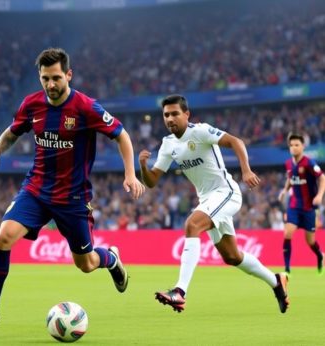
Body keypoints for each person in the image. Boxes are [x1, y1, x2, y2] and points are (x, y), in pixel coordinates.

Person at [0, 47, 144, 336]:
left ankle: (110, 258)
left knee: (85, 264)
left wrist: (130, 173)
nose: (51, 84)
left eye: (57, 77)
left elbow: (121, 135)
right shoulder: (31, 104)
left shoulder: (85, 107)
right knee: (4, 236)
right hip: (35, 190)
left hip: (73, 198)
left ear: (68, 75)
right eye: (45, 78)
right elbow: (12, 131)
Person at [138, 94, 289, 313]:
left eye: (175, 114)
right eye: (166, 115)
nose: (170, 119)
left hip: (226, 193)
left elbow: (235, 141)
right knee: (232, 256)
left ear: (186, 114)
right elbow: (151, 181)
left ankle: (180, 292)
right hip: (209, 200)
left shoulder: (200, 131)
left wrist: (246, 170)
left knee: (192, 225)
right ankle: (276, 281)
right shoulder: (168, 144)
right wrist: (143, 166)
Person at [278, 133, 325, 274]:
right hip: (294, 206)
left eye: (297, 145)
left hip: (308, 207)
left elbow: (322, 178)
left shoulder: (309, 163)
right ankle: (287, 268)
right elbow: (290, 178)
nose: (293, 148)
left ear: (303, 146)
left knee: (310, 241)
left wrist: (319, 195)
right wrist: (284, 191)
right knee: (287, 233)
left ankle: (320, 255)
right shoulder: (288, 164)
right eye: (291, 145)